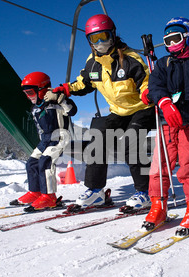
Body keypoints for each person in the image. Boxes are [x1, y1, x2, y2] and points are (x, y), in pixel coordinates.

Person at [51, 14, 155, 209]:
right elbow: (84, 83)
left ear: (113, 35)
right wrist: (66, 89)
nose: (100, 43)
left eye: (104, 37)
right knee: (97, 136)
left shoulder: (131, 59)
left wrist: (147, 93)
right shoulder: (93, 62)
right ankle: (95, 190)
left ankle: (145, 192)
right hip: (119, 111)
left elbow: (146, 82)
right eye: (94, 39)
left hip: (142, 108)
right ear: (89, 41)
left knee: (131, 141)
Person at [142, 17, 189, 235]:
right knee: (159, 167)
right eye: (166, 41)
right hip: (167, 123)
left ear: (188, 38)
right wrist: (163, 102)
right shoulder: (162, 64)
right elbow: (155, 86)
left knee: (188, 167)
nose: (170, 44)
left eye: (175, 38)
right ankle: (158, 206)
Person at [11, 72, 77, 210]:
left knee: (45, 162)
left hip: (60, 137)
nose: (29, 97)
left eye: (30, 92)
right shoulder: (35, 108)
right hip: (45, 139)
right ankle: (35, 192)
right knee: (32, 163)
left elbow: (72, 111)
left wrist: (60, 99)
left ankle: (49, 197)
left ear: (41, 90)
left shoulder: (56, 103)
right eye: (26, 94)